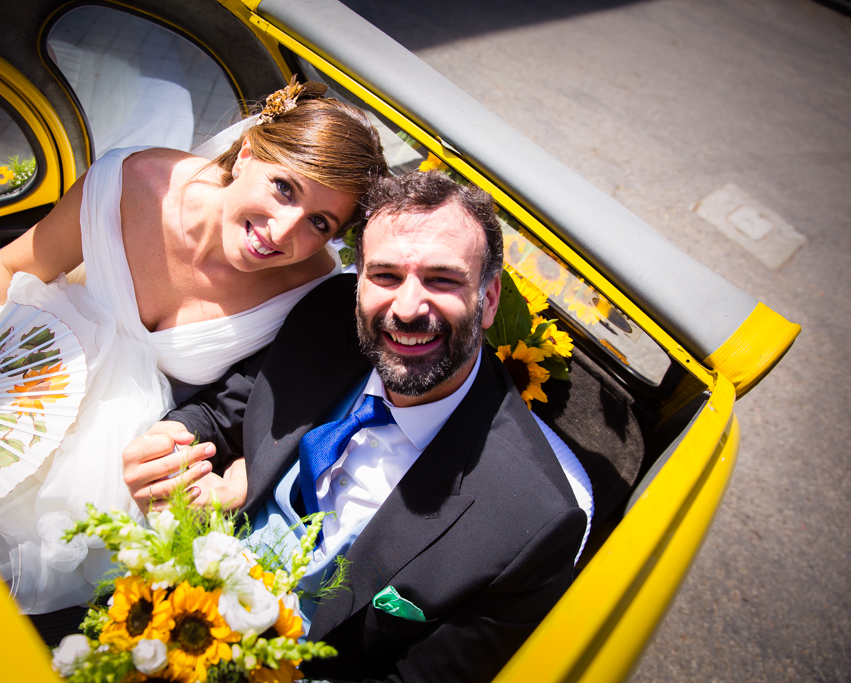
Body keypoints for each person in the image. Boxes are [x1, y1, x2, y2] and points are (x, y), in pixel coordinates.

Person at [0, 77, 387, 680]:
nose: (284, 233)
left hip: (102, 465)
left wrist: (232, 480)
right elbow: (15, 263)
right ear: (248, 153)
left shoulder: (313, 288)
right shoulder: (135, 182)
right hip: (15, 378)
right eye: (283, 189)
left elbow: (283, 416)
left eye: (321, 224)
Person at [124, 171, 587, 682]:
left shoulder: (534, 520)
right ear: (360, 279)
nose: (408, 309)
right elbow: (221, 413)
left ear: (490, 298)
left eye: (443, 279)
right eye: (386, 276)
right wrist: (169, 450)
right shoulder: (326, 317)